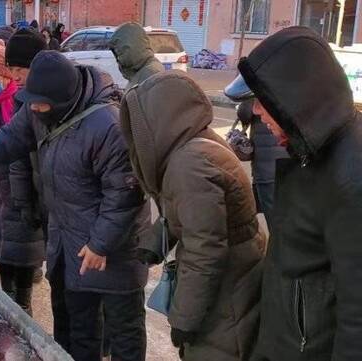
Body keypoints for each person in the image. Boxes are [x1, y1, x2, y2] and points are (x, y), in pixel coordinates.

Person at [0, 51, 148, 361]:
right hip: (70, 242)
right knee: (78, 328)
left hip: (115, 250)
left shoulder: (108, 126)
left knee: (123, 330)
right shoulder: (39, 109)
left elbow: (126, 194)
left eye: (39, 103)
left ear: (62, 100)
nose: (32, 108)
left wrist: (100, 244)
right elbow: (11, 137)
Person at [225, 26, 362, 361]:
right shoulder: (311, 147)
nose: (256, 112)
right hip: (282, 342)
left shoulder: (351, 174)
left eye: (263, 100)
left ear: (297, 99)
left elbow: (357, 312)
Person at [120, 71, 264, 360]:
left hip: (227, 292)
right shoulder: (194, 143)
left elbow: (205, 250)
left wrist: (184, 318)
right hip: (238, 272)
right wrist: (155, 241)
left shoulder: (189, 165)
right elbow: (190, 212)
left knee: (219, 350)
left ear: (158, 122)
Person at [0, 41, 45, 315]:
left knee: (23, 262)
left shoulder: (25, 103)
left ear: (6, 75)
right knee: (4, 260)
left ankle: (24, 318)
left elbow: (25, 152)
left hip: (22, 197)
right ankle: (8, 316)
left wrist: (27, 201)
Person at [231, 99, 288, 231]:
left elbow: (244, 113)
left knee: (275, 222)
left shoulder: (256, 84)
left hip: (267, 167)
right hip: (289, 162)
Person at [109, 22, 164, 90]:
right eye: (117, 55)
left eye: (120, 53)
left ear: (131, 49)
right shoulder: (138, 69)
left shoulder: (150, 73)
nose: (118, 59)